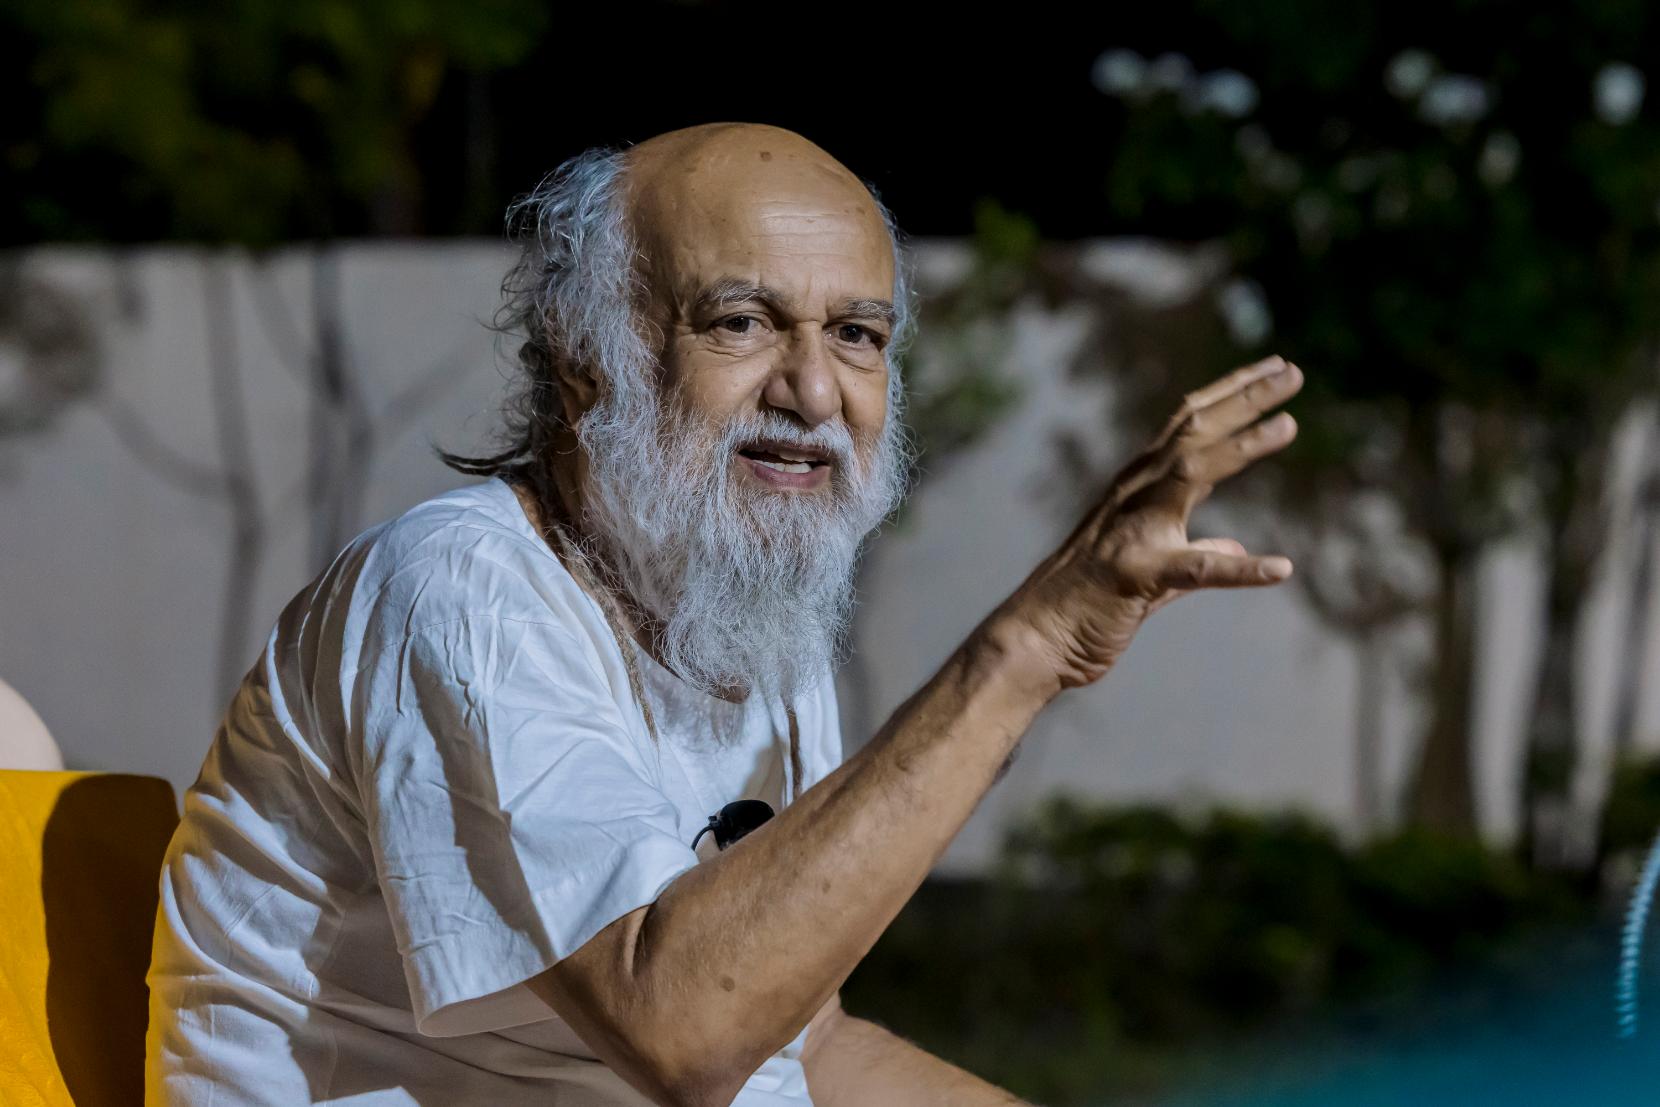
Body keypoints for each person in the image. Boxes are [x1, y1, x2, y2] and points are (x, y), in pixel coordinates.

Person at [145, 122, 1304, 1106]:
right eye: (741, 322)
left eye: (855, 335)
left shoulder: (743, 609)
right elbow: (685, 1027)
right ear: (586, 358)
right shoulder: (462, 592)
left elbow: (798, 1043)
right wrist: (1028, 647)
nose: (812, 389)